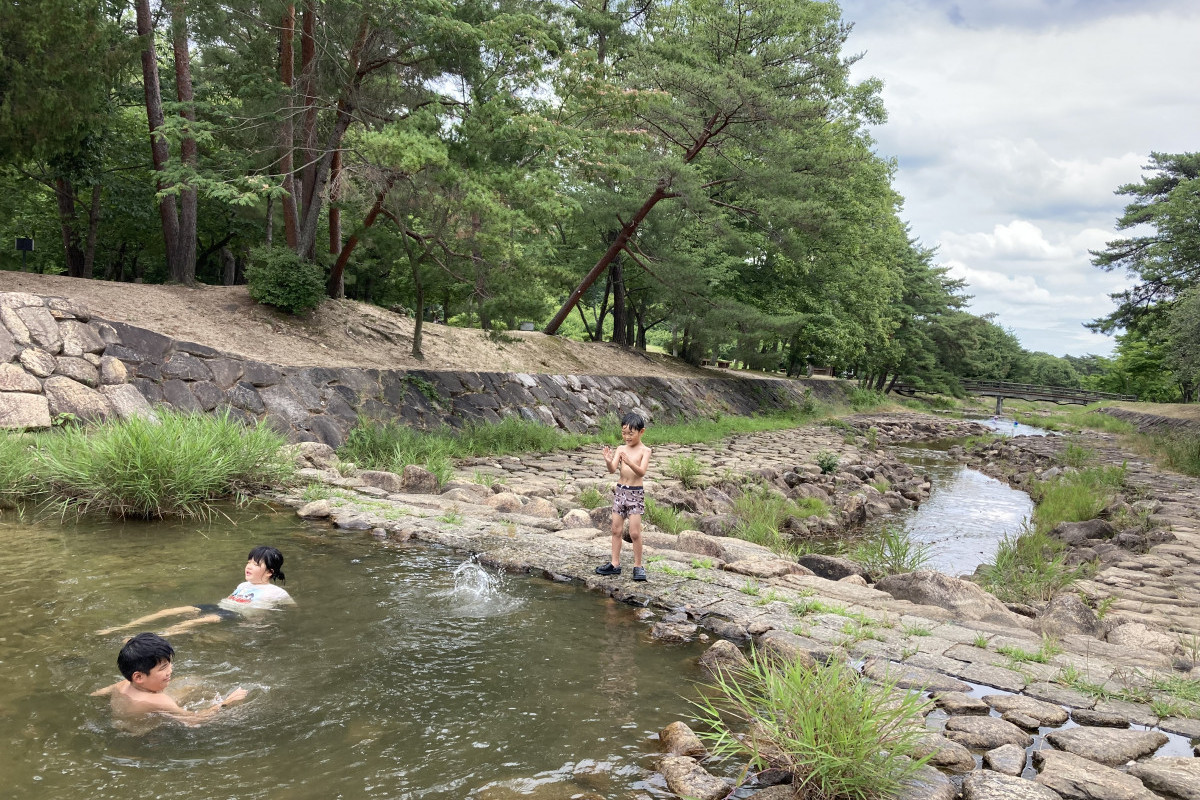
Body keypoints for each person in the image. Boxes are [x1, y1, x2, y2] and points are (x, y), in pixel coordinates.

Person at [97, 545, 295, 637]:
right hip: (221, 609)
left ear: (269, 572)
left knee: (192, 622)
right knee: (169, 611)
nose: (249, 566)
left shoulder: (276, 593)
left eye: (255, 564)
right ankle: (121, 628)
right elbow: (229, 599)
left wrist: (260, 624)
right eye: (248, 562)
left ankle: (146, 638)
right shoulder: (243, 585)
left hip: (236, 616)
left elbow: (292, 609)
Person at [90, 632, 248, 727]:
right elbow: (195, 720)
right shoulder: (159, 701)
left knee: (190, 682)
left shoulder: (122, 684)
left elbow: (97, 694)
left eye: (169, 664)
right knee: (190, 686)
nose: (170, 670)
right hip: (145, 736)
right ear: (138, 677)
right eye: (163, 668)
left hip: (126, 722)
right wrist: (227, 703)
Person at [595, 412, 652, 582]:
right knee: (616, 529)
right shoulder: (621, 449)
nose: (627, 437)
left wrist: (629, 462)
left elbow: (641, 471)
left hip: (635, 493)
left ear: (641, 432)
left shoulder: (645, 450)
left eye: (631, 433)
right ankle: (614, 564)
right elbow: (613, 469)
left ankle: (638, 566)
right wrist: (608, 460)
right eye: (624, 433)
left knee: (634, 532)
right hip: (620, 491)